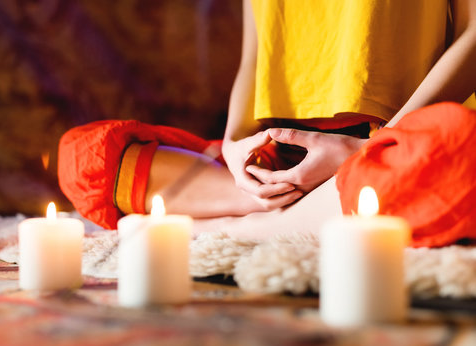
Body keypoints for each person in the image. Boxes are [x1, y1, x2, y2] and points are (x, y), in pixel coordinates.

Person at [58, 0, 476, 247]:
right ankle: (275, 203)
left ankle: (271, 218)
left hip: (399, 145)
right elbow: (256, 56)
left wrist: (370, 150)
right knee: (83, 159)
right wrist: (235, 148)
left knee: (461, 152)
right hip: (279, 154)